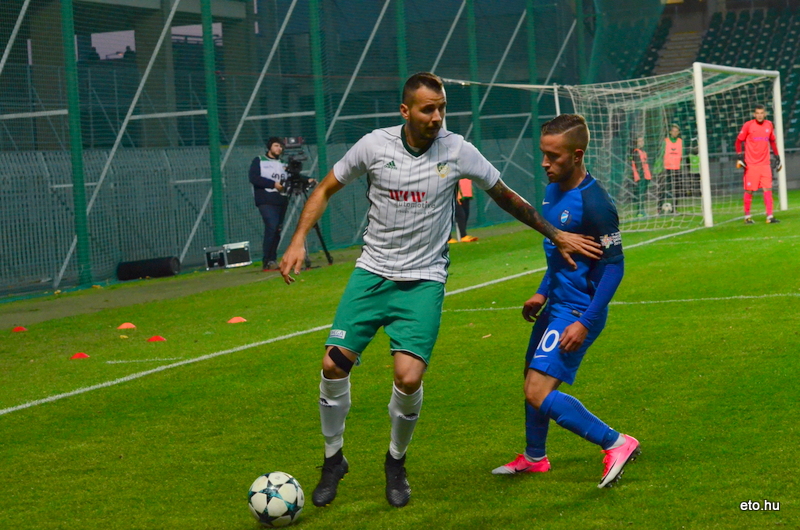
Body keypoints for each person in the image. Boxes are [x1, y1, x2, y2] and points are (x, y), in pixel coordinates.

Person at [279, 72, 603, 509]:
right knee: (333, 366)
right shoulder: (374, 145)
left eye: (442, 108)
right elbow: (325, 188)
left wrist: (555, 234)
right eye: (428, 108)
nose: (436, 117)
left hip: (424, 280)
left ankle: (396, 461)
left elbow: (507, 196)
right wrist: (298, 239)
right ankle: (333, 459)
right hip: (372, 274)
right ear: (405, 111)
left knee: (408, 377)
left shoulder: (457, 149)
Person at [492, 114, 640, 489]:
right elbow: (563, 252)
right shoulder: (552, 190)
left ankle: (617, 442)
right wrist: (543, 289)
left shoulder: (595, 204)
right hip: (555, 303)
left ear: (576, 155)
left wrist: (586, 320)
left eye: (553, 157)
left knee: (537, 390)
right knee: (530, 379)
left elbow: (614, 268)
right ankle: (535, 458)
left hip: (577, 311)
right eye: (543, 154)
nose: (545, 163)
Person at [736, 104, 781, 224]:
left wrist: (777, 156)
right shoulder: (748, 125)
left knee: (768, 189)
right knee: (749, 190)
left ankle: (770, 216)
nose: (760, 115)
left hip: (765, 163)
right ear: (754, 114)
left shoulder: (769, 125)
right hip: (751, 164)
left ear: (765, 114)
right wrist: (740, 156)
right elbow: (738, 141)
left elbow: (772, 141)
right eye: (757, 113)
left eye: (762, 113)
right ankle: (747, 216)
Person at [249, 137, 288, 271]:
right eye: (276, 146)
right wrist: (273, 184)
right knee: (271, 226)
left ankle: (272, 258)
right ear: (269, 147)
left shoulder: (283, 163)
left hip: (281, 200)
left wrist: (308, 180)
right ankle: (267, 260)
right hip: (265, 200)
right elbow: (254, 178)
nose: (279, 149)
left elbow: (291, 178)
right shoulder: (259, 160)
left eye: (281, 147)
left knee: (277, 229)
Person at [659, 123, 682, 214]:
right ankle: (659, 208)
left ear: (678, 132)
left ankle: (675, 208)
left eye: (676, 131)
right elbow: (661, 154)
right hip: (666, 168)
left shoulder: (680, 141)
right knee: (663, 188)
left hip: (677, 168)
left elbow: (682, 154)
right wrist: (660, 167)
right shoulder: (666, 141)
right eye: (673, 131)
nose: (675, 133)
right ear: (670, 132)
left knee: (677, 189)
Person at [448, 179, 478, 243]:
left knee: (465, 214)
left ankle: (463, 235)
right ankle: (449, 238)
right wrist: (456, 194)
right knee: (460, 215)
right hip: (455, 194)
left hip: (466, 193)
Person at [629, 136, 651, 217]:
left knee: (643, 194)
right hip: (640, 177)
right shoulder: (636, 152)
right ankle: (640, 212)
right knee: (640, 194)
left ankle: (642, 210)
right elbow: (638, 166)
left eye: (642, 141)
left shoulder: (643, 151)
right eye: (639, 141)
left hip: (646, 176)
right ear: (636, 143)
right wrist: (641, 176)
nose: (641, 143)